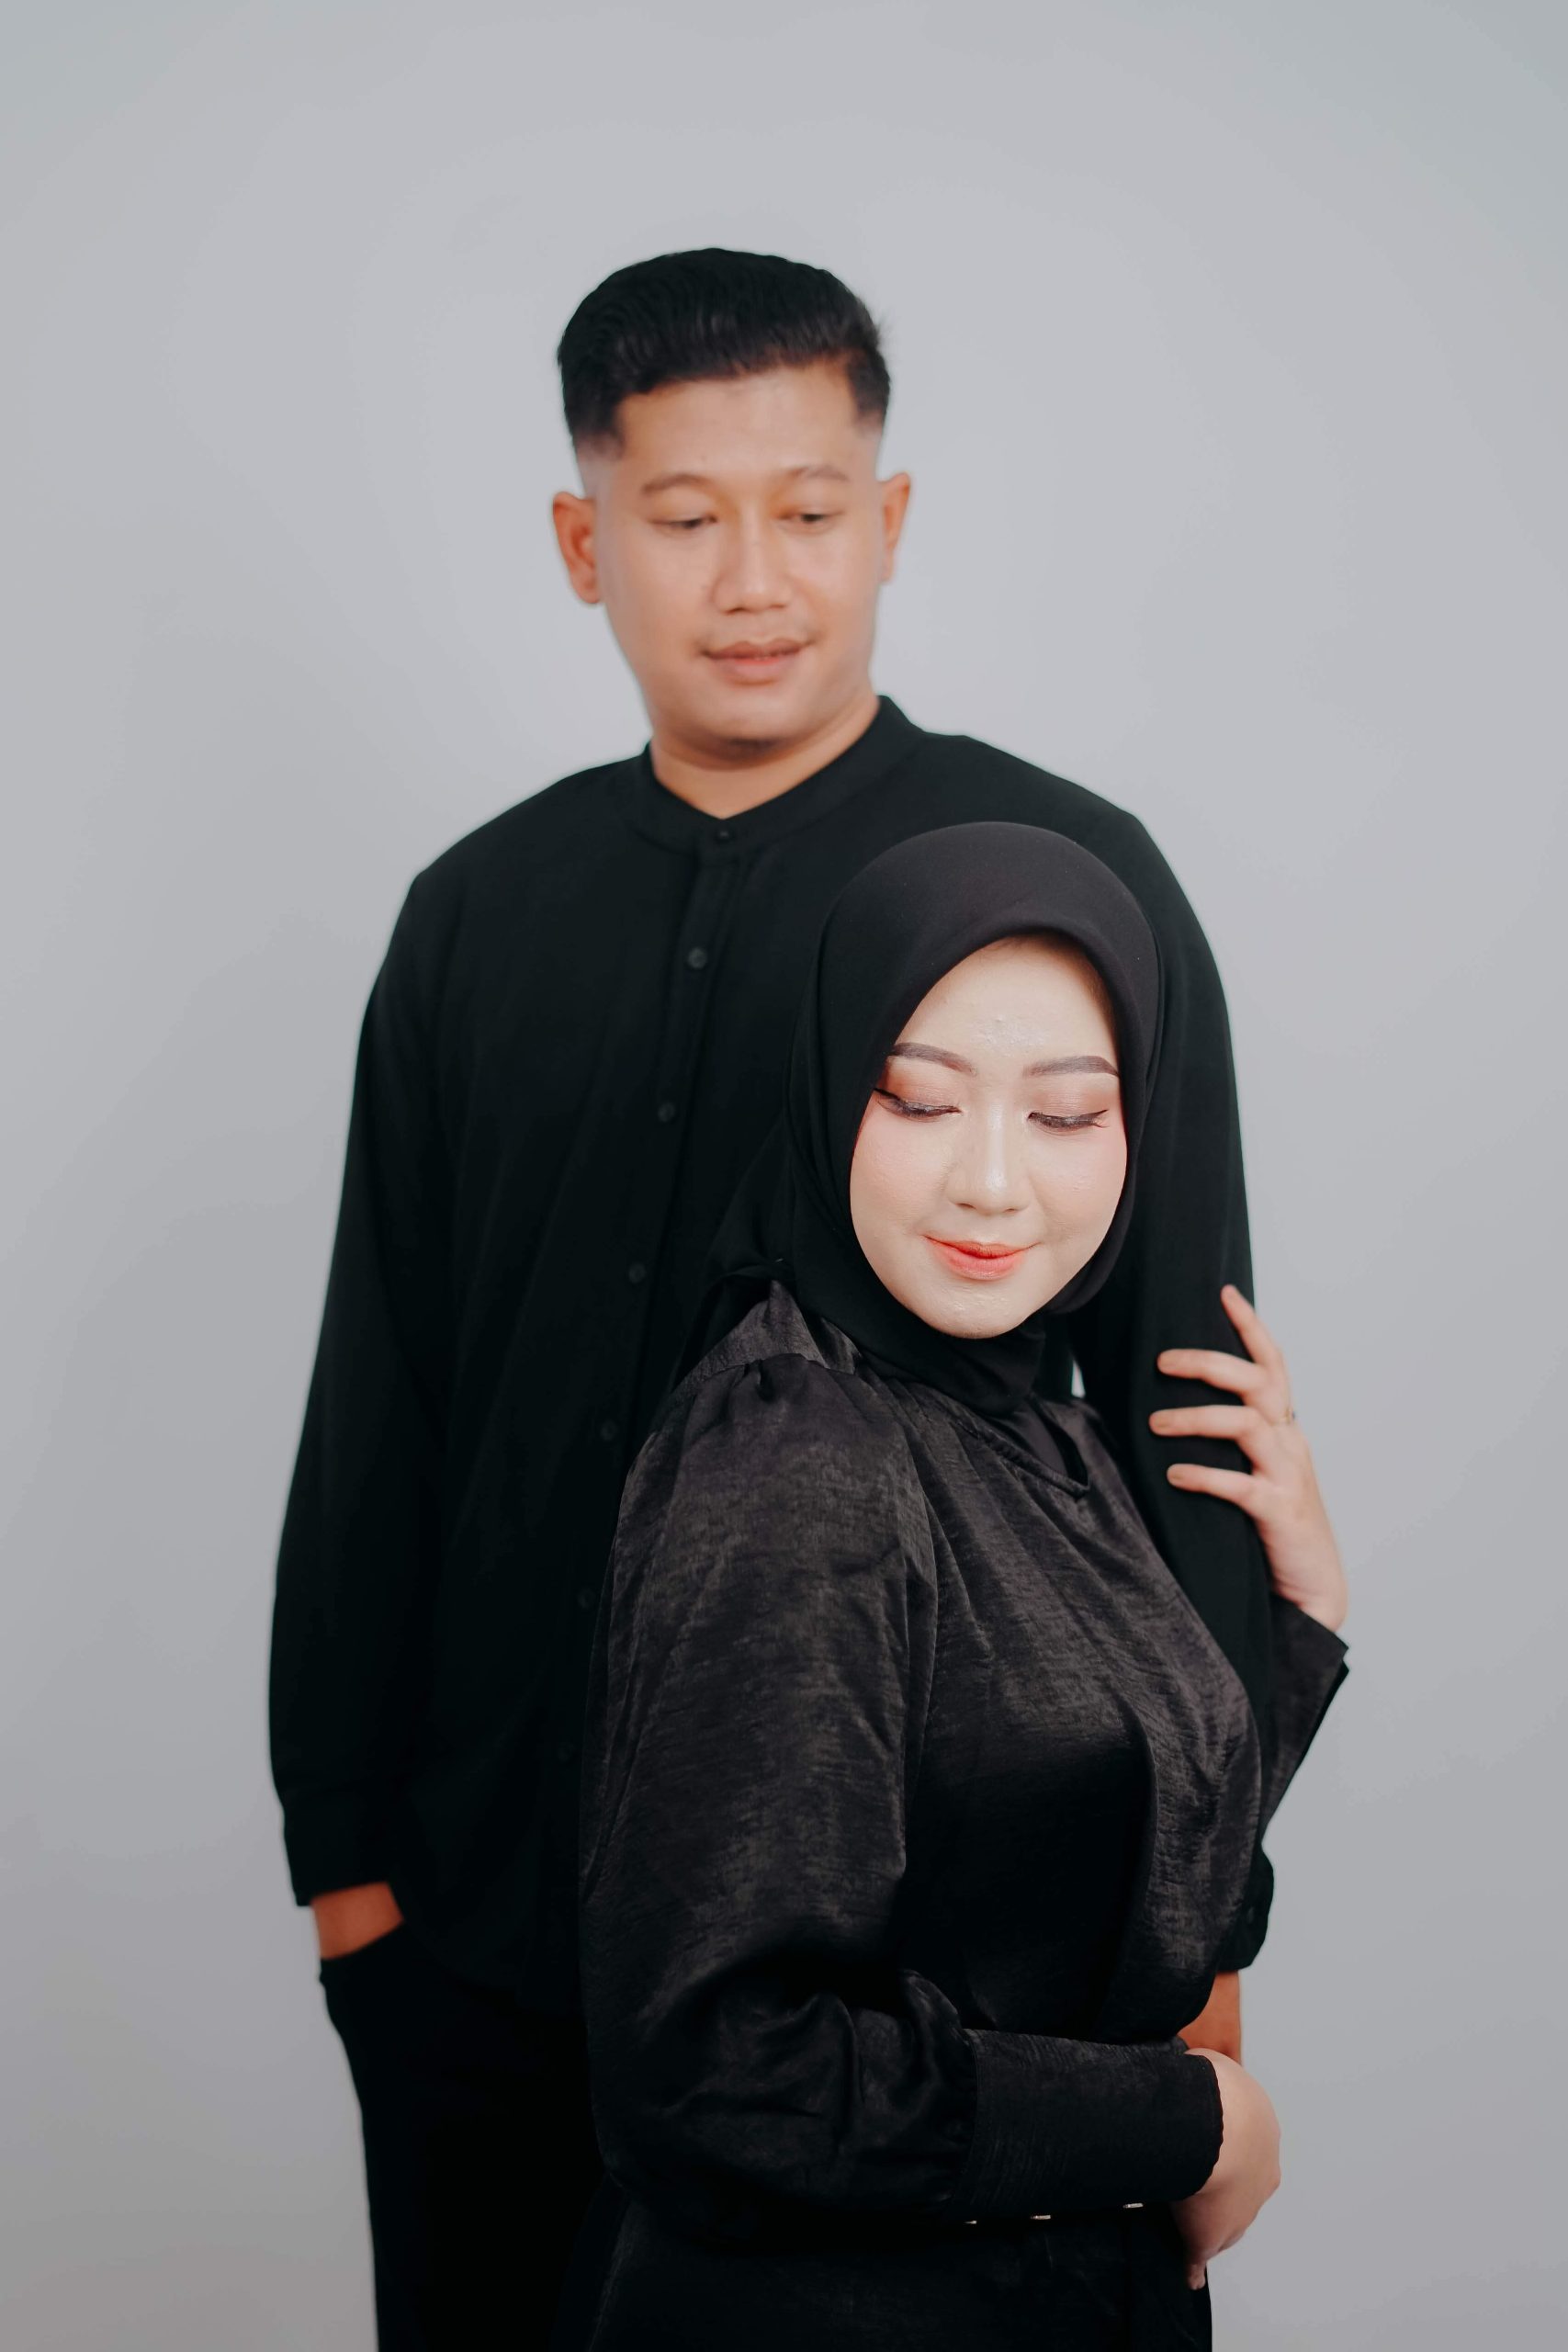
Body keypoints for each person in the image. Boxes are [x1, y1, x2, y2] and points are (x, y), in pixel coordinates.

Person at [270, 248, 1285, 2348]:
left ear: (885, 520)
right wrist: (349, 1870)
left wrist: (1194, 1957)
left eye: (808, 509)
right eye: (682, 514)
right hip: (476, 1934)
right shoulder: (475, 915)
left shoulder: (1052, 881)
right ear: (585, 543)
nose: (753, 577)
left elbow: (1175, 1428)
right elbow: (385, 1398)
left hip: (903, 1988)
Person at [572, 823, 1349, 2350]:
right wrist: (1188, 2122)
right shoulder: (798, 1452)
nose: (992, 1182)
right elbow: (723, 2074)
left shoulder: (1036, 1423)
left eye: (1067, 1114)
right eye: (920, 1100)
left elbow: (1086, 1888)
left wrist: (1302, 1626)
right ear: (829, 1092)